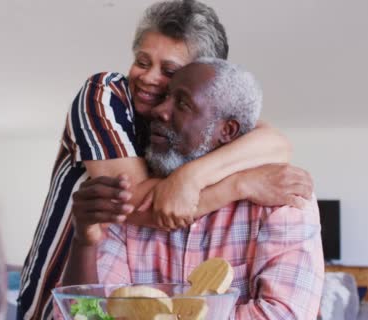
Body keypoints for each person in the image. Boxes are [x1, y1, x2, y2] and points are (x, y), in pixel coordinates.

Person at [17, 1, 314, 319]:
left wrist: (192, 177)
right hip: (53, 297)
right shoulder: (106, 95)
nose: (148, 78)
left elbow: (275, 142)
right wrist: (238, 184)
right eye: (142, 62)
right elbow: (134, 204)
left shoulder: (190, 133)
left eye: (170, 72)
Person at [63, 59, 324, 319]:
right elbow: (90, 315)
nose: (159, 110)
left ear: (227, 130)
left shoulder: (282, 199)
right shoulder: (133, 201)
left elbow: (283, 315)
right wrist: (83, 242)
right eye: (165, 97)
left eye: (183, 103)